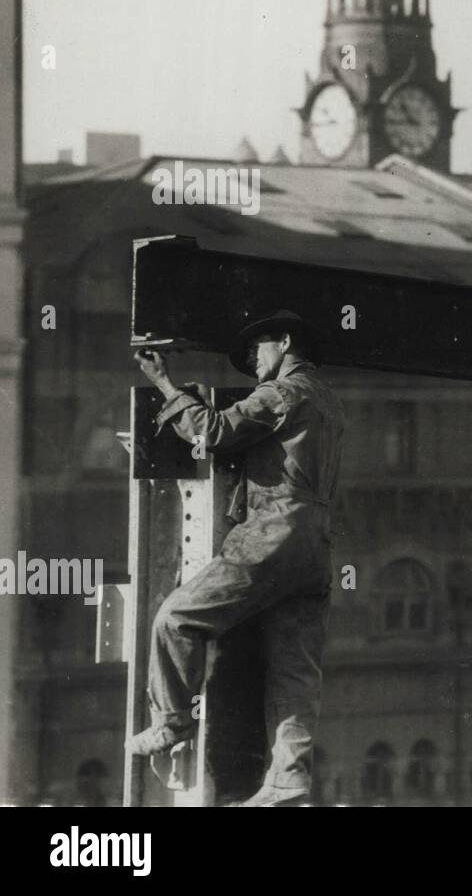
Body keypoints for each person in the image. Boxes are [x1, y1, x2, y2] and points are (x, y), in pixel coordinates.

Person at [128, 310, 344, 807]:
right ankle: (288, 781)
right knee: (295, 669)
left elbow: (217, 430)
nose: (252, 360)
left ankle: (170, 722)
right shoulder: (327, 398)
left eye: (258, 348)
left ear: (285, 342)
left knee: (176, 619)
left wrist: (164, 383)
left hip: (272, 533)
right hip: (317, 542)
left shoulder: (282, 393)